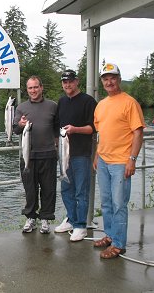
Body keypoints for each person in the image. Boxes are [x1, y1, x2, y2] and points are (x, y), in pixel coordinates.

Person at [93, 63, 144, 259]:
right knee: (106, 203)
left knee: (119, 203)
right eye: (105, 78)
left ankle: (119, 244)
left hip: (122, 161)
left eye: (112, 77)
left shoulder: (130, 103)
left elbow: (138, 133)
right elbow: (101, 134)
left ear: (119, 79)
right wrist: (97, 155)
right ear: (102, 82)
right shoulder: (101, 105)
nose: (109, 81)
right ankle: (110, 235)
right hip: (104, 160)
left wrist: (132, 159)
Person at [54, 69, 97, 241]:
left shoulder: (88, 101)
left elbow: (93, 128)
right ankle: (71, 219)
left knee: (81, 191)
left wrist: (75, 129)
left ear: (77, 81)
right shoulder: (62, 101)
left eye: (70, 81)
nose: (67, 84)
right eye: (64, 82)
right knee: (66, 189)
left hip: (81, 155)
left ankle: (81, 226)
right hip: (64, 154)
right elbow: (56, 125)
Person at [13, 76, 59, 234]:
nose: (33, 90)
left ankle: (45, 219)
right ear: (27, 90)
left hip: (48, 155)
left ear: (41, 87)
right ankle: (31, 218)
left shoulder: (53, 106)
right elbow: (16, 129)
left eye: (36, 87)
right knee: (30, 189)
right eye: (30, 88)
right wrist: (20, 124)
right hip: (28, 157)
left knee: (48, 189)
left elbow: (58, 129)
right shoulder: (21, 108)